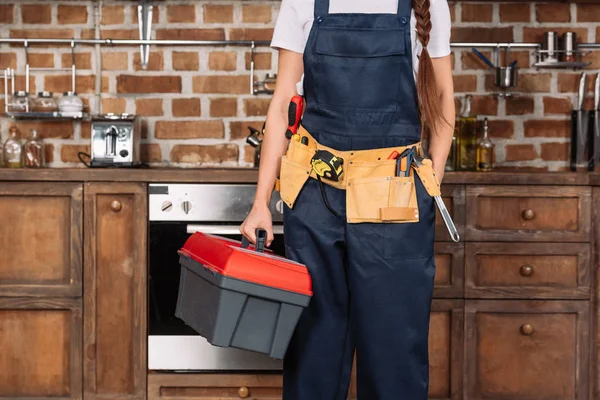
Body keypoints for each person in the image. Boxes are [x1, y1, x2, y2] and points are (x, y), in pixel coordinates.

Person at [240, 0, 454, 398]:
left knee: (394, 361)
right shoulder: (303, 1)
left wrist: (429, 183)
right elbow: (283, 101)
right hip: (314, 200)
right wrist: (260, 203)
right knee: (312, 355)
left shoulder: (426, 4)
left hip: (393, 200)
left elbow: (443, 99)